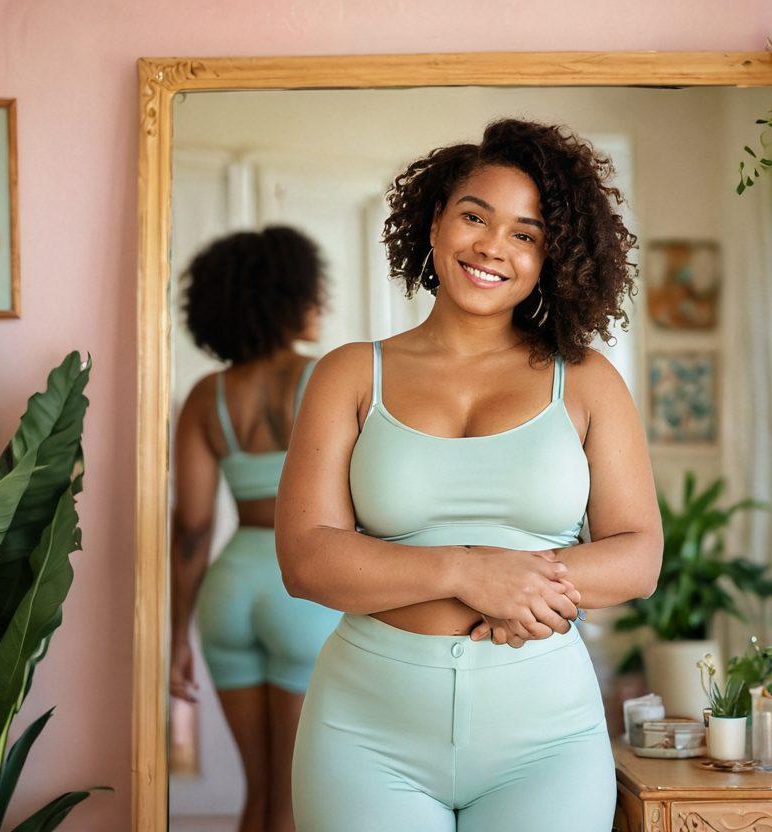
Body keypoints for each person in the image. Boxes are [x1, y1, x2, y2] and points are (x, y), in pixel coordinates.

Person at [276, 119, 663, 831]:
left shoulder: (586, 381)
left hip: (545, 744)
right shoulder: (349, 375)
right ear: (435, 224)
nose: (492, 246)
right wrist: (465, 571)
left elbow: (637, 556)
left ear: (552, 255)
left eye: (525, 233)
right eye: (475, 217)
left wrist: (517, 578)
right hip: (364, 738)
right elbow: (305, 558)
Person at [170, 226, 343, 832]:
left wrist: (176, 637)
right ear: (286, 294)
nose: (321, 302)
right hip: (305, 591)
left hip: (231, 591)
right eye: (313, 290)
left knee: (258, 798)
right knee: (295, 805)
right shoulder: (326, 378)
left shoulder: (205, 397)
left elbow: (191, 529)